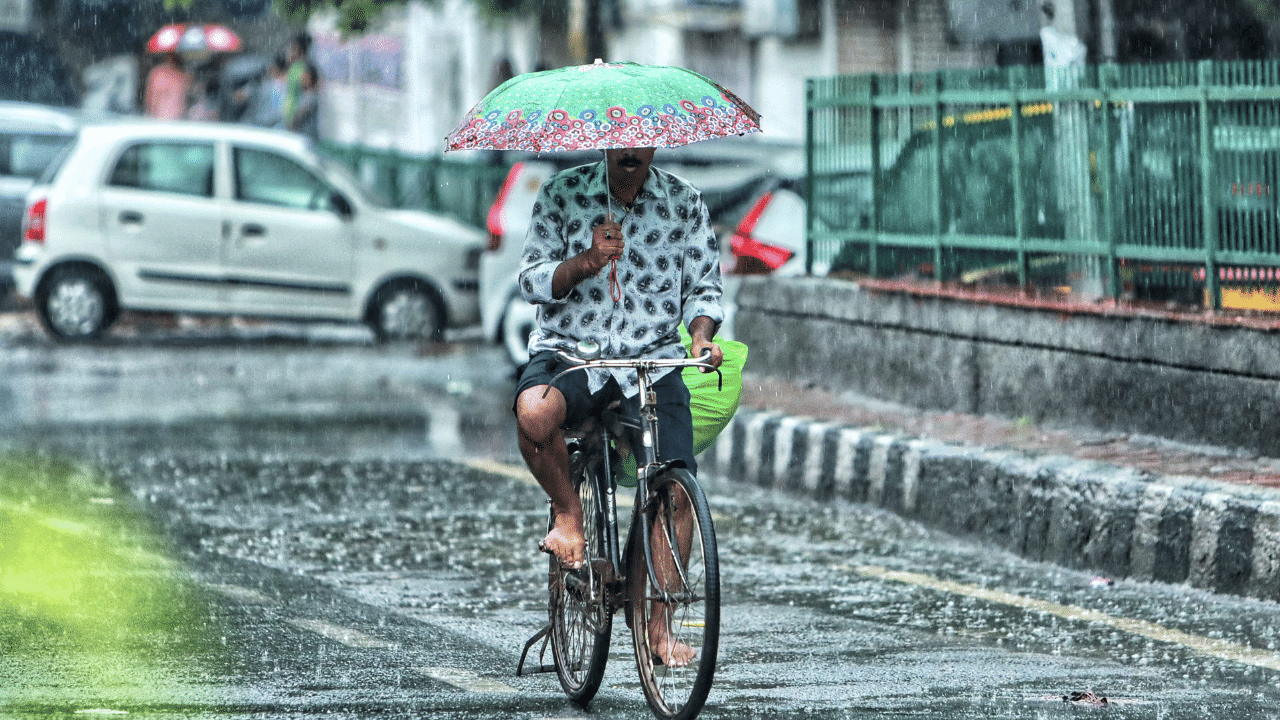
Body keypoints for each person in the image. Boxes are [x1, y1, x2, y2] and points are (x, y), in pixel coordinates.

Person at [513, 146, 725, 667]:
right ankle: (568, 516)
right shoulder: (563, 194)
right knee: (535, 413)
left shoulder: (685, 201)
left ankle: (659, 626)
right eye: (620, 141)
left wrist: (700, 339)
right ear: (606, 143)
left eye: (641, 141)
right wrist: (586, 262)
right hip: (572, 354)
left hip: (651, 364)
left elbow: (705, 291)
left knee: (676, 489)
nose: (631, 151)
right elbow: (532, 281)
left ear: (653, 144)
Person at [240, 53, 288, 128]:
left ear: (274, 67)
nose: (268, 68)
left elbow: (240, 96)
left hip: (262, 125)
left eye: (270, 66)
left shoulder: (268, 84)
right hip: (274, 125)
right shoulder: (284, 85)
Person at [144, 52, 190, 120]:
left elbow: (150, 98)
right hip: (164, 118)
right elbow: (151, 98)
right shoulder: (159, 73)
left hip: (171, 118)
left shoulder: (182, 76)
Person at [282, 32, 311, 131]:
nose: (288, 52)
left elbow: (308, 95)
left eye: (291, 49)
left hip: (297, 119)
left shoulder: (304, 69)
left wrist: (297, 117)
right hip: (289, 116)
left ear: (300, 51)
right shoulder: (294, 68)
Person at [288, 62, 320, 142]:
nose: (301, 80)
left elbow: (299, 115)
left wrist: (291, 125)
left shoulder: (310, 96)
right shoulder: (305, 94)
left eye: (305, 77)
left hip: (306, 137)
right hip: (304, 136)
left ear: (310, 79)